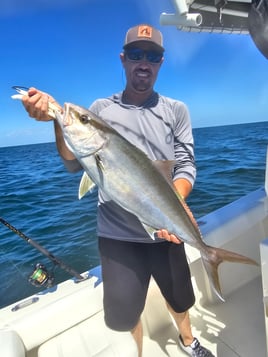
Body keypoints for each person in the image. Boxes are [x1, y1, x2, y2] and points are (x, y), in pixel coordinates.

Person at [22, 24, 214, 357]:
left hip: (166, 228)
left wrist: (177, 201)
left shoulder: (176, 111)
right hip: (116, 237)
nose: (144, 62)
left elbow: (184, 165)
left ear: (161, 62)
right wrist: (58, 120)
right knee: (125, 316)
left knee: (180, 298)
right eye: (137, 54)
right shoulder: (100, 110)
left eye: (152, 56)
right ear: (124, 60)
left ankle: (188, 341)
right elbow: (72, 163)